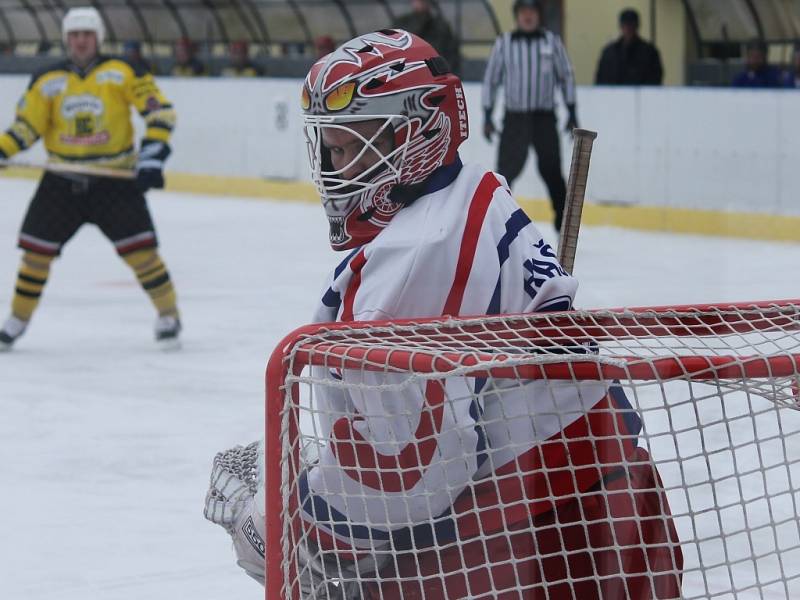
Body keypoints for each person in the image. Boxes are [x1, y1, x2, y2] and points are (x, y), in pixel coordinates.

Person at [203, 28, 684, 598]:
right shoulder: (471, 189)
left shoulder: (413, 257)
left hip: (528, 546)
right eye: (328, 150)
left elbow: (415, 479)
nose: (332, 172)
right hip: (605, 509)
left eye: (345, 148)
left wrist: (277, 522)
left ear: (415, 133)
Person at [0, 7, 181, 350]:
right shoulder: (47, 79)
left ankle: (168, 314)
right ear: (66, 39)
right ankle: (17, 319)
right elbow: (26, 127)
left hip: (114, 179)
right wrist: (2, 149)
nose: (80, 41)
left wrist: (152, 157)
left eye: (86, 35)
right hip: (60, 179)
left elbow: (160, 112)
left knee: (143, 254)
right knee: (35, 256)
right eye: (74, 35)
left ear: (98, 38)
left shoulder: (124, 70)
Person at [481, 0, 577, 234]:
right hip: (515, 118)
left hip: (544, 117)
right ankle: (498, 223)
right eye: (523, 12)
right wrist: (487, 114)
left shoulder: (551, 42)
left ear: (538, 15)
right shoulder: (504, 43)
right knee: (504, 173)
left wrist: (572, 110)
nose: (527, 16)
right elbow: (491, 79)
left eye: (532, 12)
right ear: (516, 16)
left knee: (552, 171)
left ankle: (562, 225)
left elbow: (565, 76)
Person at [595, 8, 663, 85]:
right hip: (613, 95)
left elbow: (655, 80)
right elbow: (600, 80)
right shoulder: (609, 53)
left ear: (637, 26)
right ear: (620, 26)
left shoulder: (650, 52)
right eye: (625, 25)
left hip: (641, 95)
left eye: (632, 25)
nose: (628, 28)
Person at [393, 0, 460, 75]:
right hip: (408, 72)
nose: (421, 3)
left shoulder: (440, 26)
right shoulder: (403, 23)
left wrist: (445, 71)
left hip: (435, 72)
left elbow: (451, 53)